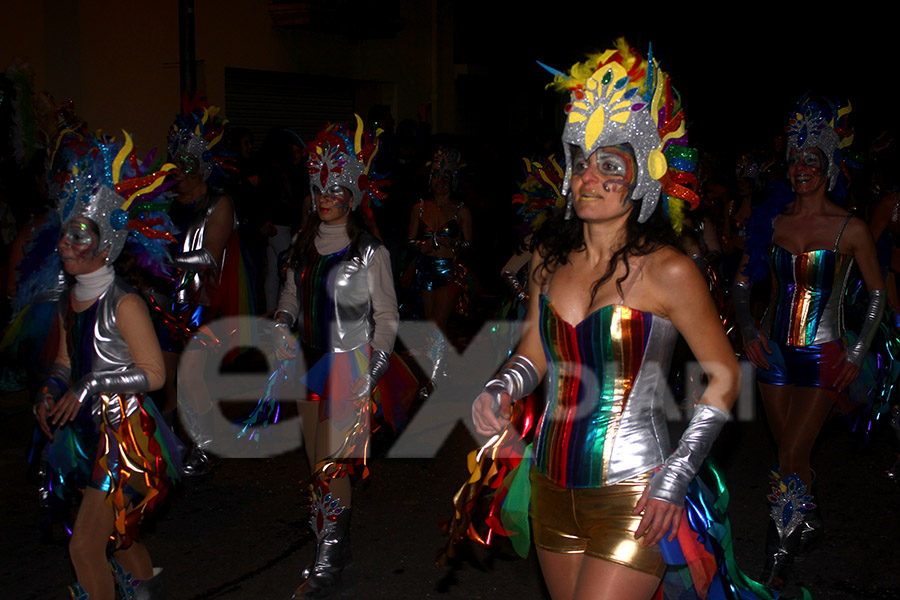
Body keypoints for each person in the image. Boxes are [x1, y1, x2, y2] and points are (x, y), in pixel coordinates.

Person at [472, 40, 745, 600]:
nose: (588, 177)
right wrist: (500, 386)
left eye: (609, 165)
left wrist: (675, 478)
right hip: (548, 485)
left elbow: (725, 377)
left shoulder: (669, 271)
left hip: (636, 495)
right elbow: (533, 353)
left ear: (644, 175)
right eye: (580, 163)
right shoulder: (548, 259)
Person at [733, 96, 886, 589]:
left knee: (790, 454)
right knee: (789, 453)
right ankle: (807, 515)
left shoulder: (851, 227)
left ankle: (779, 552)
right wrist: (751, 332)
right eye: (795, 160)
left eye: (812, 161)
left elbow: (878, 293)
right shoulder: (771, 223)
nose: (801, 169)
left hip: (824, 355)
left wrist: (859, 352)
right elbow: (741, 285)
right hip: (773, 353)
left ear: (830, 167)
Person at [33, 132, 180, 599]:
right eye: (64, 232)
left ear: (106, 242)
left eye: (80, 235)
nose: (66, 244)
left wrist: (91, 384)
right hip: (85, 435)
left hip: (123, 439)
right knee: (117, 539)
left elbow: (155, 375)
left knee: (84, 549)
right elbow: (63, 361)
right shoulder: (67, 301)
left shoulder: (124, 304)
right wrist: (50, 390)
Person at [272, 116, 398, 599]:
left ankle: (326, 564)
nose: (326, 199)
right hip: (308, 363)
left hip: (351, 366)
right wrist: (282, 321)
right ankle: (335, 547)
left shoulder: (370, 251)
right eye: (318, 190)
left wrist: (375, 369)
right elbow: (289, 296)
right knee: (314, 464)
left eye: (336, 191)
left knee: (333, 465)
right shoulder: (303, 244)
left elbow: (387, 317)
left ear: (353, 194)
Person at [156, 99, 237, 476]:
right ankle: (171, 445)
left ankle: (206, 444)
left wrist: (165, 260)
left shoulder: (219, 204)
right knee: (164, 375)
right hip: (162, 299)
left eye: (189, 166)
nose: (182, 173)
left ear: (203, 166)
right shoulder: (165, 203)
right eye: (178, 165)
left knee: (193, 377)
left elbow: (210, 256)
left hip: (200, 299)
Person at [406, 147, 473, 380]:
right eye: (436, 177)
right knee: (432, 326)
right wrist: (419, 246)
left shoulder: (461, 210)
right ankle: (440, 372)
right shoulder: (420, 208)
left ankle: (434, 376)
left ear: (453, 181)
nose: (440, 183)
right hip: (425, 269)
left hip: (449, 269)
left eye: (445, 178)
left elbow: (469, 243)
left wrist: (453, 244)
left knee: (437, 324)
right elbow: (410, 240)